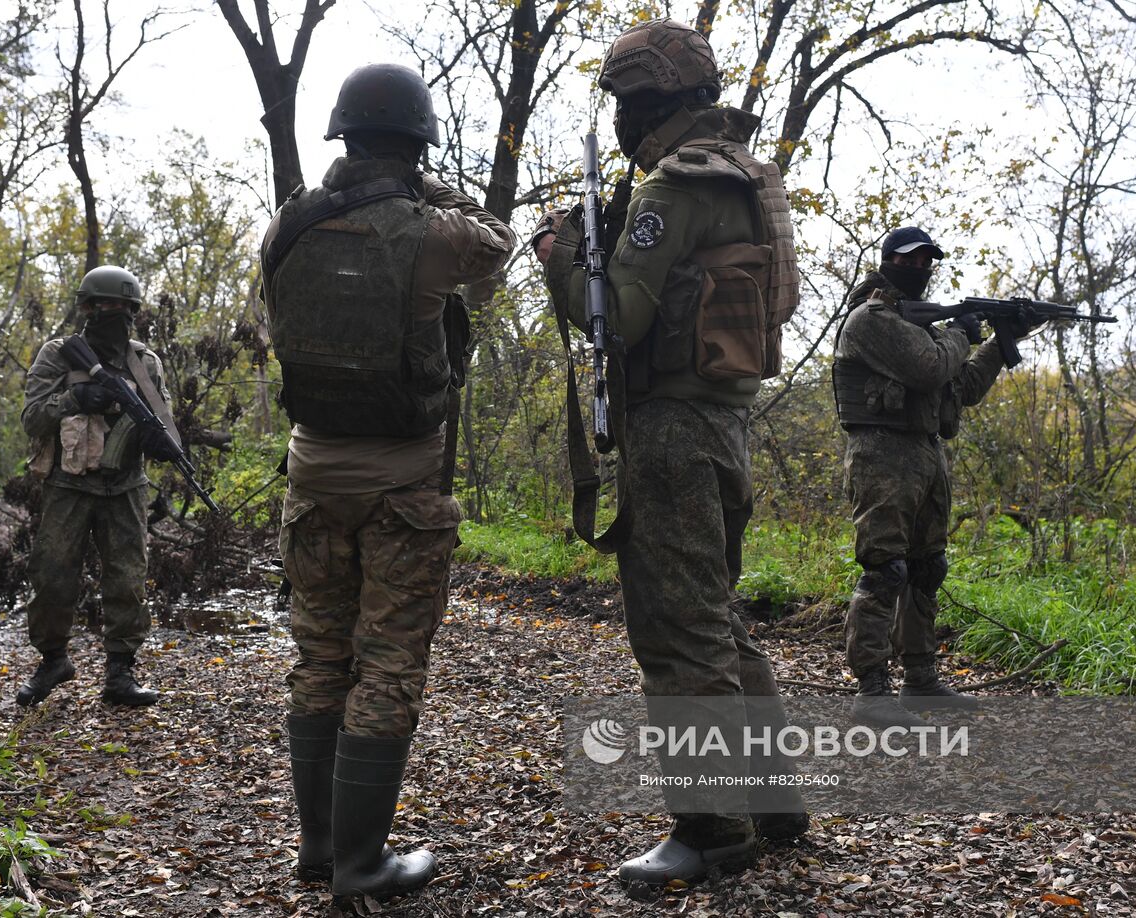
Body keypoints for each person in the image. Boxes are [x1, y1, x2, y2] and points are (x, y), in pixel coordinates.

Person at [533, 19, 805, 886]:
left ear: (652, 103)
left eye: (625, 103)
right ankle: (772, 799)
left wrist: (561, 258)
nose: (618, 121)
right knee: (717, 616)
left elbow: (618, 319)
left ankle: (710, 827)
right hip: (728, 425)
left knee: (678, 631)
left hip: (675, 434)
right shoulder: (752, 181)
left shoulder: (668, 192)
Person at [260, 63, 514, 897]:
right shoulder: (435, 231)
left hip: (312, 477)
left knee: (319, 660)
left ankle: (319, 849)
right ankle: (362, 866)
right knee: (388, 668)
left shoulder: (288, 225)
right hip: (403, 484)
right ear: (416, 145)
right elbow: (498, 243)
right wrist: (435, 186)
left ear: (342, 138)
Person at [832, 226, 1036, 727]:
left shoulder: (922, 326)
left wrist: (1003, 339)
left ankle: (920, 680)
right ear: (888, 262)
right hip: (881, 455)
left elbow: (960, 386)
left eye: (928, 261)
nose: (920, 269)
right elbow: (929, 367)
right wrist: (961, 330)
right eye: (910, 259)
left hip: (925, 453)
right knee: (886, 570)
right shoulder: (873, 318)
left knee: (927, 567)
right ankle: (872, 691)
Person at [18, 265, 180, 708]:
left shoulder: (145, 363)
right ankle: (53, 661)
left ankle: (120, 672)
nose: (119, 314)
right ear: (87, 308)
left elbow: (165, 424)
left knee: (127, 582)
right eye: (110, 305)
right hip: (68, 484)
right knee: (51, 577)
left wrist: (160, 441)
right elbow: (32, 418)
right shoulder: (58, 354)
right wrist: (75, 399)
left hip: (126, 486)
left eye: (128, 308)